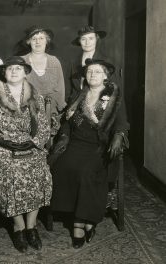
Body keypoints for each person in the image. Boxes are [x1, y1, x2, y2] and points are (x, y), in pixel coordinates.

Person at [50, 59, 129, 249]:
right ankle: (79, 219)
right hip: (76, 144)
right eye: (89, 72)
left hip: (99, 146)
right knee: (63, 166)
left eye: (97, 72)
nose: (92, 74)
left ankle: (84, 220)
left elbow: (121, 122)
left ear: (105, 76)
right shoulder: (78, 96)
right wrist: (63, 138)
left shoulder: (114, 97)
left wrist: (119, 136)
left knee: (86, 172)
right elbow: (67, 123)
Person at [0, 56, 52, 253]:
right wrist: (1, 141)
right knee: (10, 171)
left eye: (18, 69)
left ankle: (31, 226)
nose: (14, 72)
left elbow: (43, 124)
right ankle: (18, 225)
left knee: (40, 169)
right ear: (4, 73)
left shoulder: (35, 95)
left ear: (25, 72)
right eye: (10, 69)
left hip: (28, 143)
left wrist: (33, 142)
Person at [64, 25, 129, 208]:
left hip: (102, 109)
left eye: (90, 38)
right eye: (83, 39)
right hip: (79, 107)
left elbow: (115, 95)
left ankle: (99, 193)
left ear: (96, 40)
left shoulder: (106, 62)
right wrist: (71, 106)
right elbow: (71, 90)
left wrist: (119, 132)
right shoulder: (73, 62)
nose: (87, 42)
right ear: (79, 42)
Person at [21, 26, 66, 134]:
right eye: (34, 39)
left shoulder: (54, 61)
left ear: (47, 41)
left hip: (51, 110)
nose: (38, 42)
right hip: (27, 111)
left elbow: (60, 89)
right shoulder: (21, 61)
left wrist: (52, 111)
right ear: (28, 42)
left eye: (41, 38)